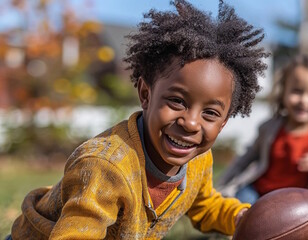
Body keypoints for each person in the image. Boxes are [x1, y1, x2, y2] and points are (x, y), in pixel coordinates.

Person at [9, 1, 268, 239]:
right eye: (177, 101)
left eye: (210, 113)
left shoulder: (198, 159)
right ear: (146, 94)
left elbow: (205, 205)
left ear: (223, 123)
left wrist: (241, 217)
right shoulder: (106, 166)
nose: (190, 123)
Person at [217, 54, 308, 204]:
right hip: (258, 193)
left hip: (298, 200)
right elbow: (245, 158)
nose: (304, 101)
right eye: (297, 91)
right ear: (283, 92)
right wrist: (222, 184)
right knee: (242, 206)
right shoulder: (269, 128)